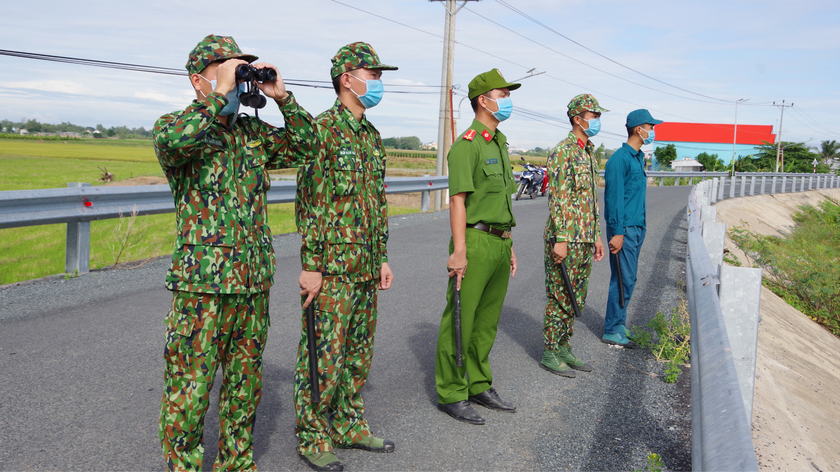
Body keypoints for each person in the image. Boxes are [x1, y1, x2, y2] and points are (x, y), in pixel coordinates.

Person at [154, 34, 318, 471]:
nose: (235, 78)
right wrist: (219, 95)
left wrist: (284, 100)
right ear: (198, 81)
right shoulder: (177, 125)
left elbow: (306, 147)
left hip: (250, 283)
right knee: (190, 390)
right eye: (226, 70)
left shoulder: (250, 134)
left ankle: (237, 464)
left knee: (244, 388)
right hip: (201, 289)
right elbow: (173, 145)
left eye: (240, 69)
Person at [294, 42, 397, 472]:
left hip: (364, 266)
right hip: (332, 270)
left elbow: (376, 203)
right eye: (371, 75)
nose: (377, 83)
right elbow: (310, 204)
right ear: (346, 79)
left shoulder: (371, 137)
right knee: (323, 355)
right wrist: (312, 267)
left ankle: (349, 423)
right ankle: (313, 434)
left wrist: (382, 258)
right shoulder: (321, 131)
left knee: (358, 352)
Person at [435, 69, 520, 426]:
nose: (508, 100)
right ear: (483, 101)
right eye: (502, 94)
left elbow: (502, 200)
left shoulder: (498, 143)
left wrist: (510, 244)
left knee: (486, 322)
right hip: (474, 240)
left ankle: (479, 383)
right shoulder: (467, 145)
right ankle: (452, 391)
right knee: (460, 318)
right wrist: (459, 250)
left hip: (499, 242)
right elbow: (458, 201)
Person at [540, 94, 607, 377]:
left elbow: (590, 200)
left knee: (576, 296)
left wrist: (597, 235)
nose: (597, 121)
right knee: (559, 296)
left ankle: (565, 347)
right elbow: (559, 198)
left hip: (585, 237)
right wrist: (562, 239)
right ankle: (550, 351)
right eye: (593, 116)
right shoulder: (562, 151)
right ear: (578, 119)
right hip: (565, 238)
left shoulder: (588, 152)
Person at [602, 109, 662, 347]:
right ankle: (611, 329)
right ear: (639, 129)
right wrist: (617, 232)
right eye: (650, 126)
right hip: (624, 229)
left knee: (629, 278)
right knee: (623, 278)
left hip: (637, 227)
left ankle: (620, 324)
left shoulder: (638, 158)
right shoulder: (620, 159)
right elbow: (614, 199)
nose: (653, 131)